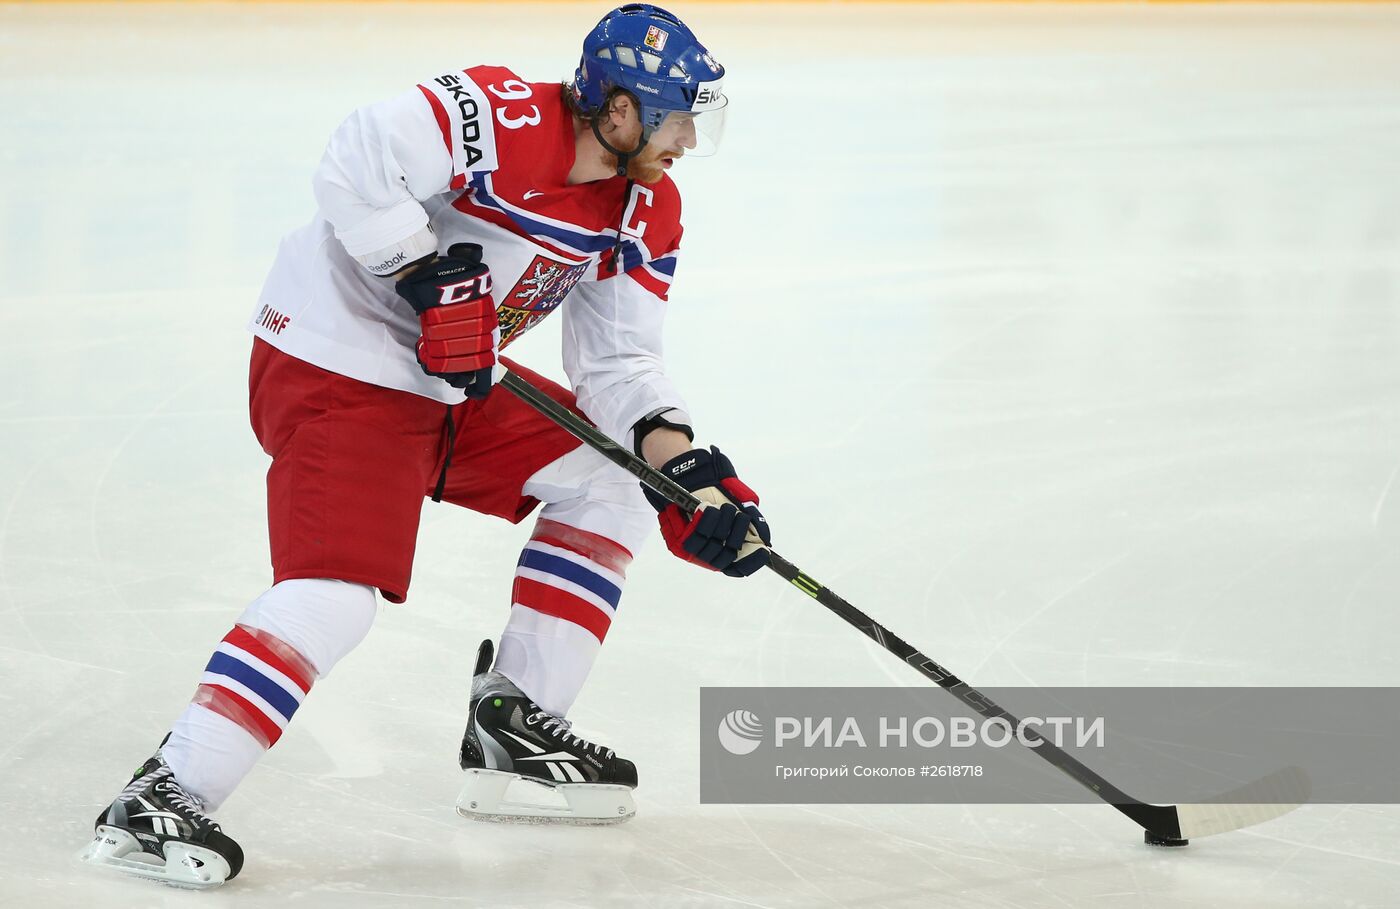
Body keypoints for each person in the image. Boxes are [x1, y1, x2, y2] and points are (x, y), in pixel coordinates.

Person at [78, 3, 770, 889]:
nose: (687, 141)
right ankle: (163, 793)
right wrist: (417, 272)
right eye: (676, 118)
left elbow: (621, 363)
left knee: (611, 477)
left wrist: (684, 471)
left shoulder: (646, 209)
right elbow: (356, 159)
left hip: (450, 386)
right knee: (334, 596)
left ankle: (517, 726)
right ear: (622, 109)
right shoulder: (499, 111)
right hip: (341, 363)